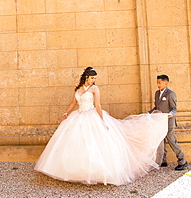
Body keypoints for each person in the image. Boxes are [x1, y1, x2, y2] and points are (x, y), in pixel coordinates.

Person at [34, 67, 169, 186]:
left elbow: (98, 105)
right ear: (86, 77)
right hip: (78, 116)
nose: (93, 80)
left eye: (94, 78)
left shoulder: (95, 89)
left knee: (95, 144)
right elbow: (73, 102)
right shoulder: (77, 87)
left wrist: (102, 120)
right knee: (75, 143)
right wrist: (66, 113)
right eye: (92, 77)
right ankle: (74, 171)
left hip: (91, 115)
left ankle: (98, 173)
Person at [148, 75, 188, 171]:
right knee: (161, 141)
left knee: (171, 140)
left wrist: (171, 114)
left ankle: (182, 160)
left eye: (160, 83)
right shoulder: (157, 93)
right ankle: (163, 160)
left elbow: (174, 109)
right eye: (157, 82)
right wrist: (148, 114)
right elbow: (156, 108)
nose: (158, 84)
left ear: (166, 83)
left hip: (169, 121)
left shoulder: (171, 94)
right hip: (160, 122)